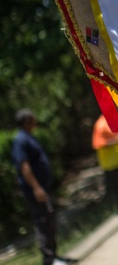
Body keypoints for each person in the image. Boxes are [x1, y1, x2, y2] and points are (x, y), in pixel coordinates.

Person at [10, 109, 77, 265]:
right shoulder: (20, 140)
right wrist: (36, 188)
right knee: (43, 221)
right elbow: (24, 166)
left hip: (42, 188)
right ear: (26, 121)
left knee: (49, 219)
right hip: (35, 190)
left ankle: (54, 255)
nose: (36, 122)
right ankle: (49, 259)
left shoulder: (28, 138)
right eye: (33, 119)